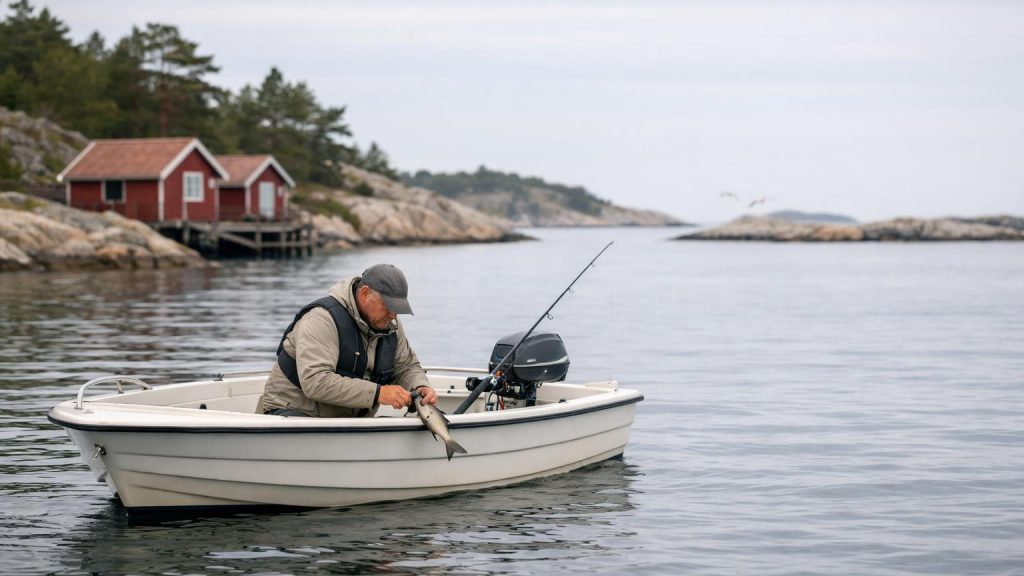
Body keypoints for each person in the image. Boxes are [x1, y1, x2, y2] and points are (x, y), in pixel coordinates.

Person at [257, 264, 437, 417]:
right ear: (365, 293)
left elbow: (406, 367)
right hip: (293, 412)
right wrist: (378, 393)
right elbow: (315, 382)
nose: (393, 314)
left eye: (398, 308)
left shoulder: (390, 323)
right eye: (388, 306)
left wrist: (419, 386)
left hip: (347, 422)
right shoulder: (321, 319)